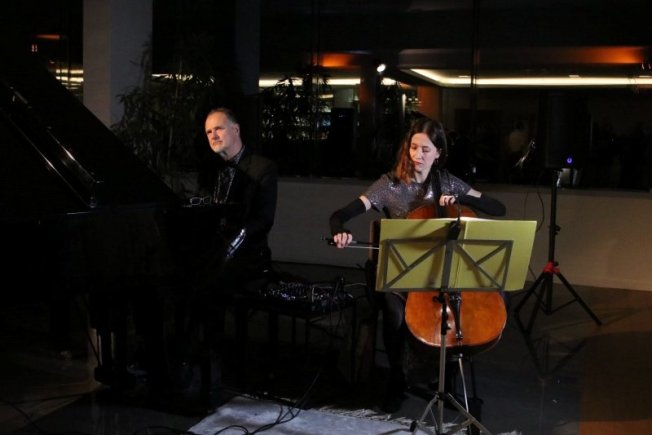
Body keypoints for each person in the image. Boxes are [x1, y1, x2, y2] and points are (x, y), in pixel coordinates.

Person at [329, 116, 506, 413]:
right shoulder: (390, 185)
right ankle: (397, 379)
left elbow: (498, 208)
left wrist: (461, 197)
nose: (417, 156)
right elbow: (340, 215)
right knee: (394, 311)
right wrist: (339, 231)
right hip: (399, 271)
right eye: (413, 148)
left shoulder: (447, 182)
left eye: (425, 150)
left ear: (438, 153)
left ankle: (447, 378)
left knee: (461, 305)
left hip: (437, 272)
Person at [174, 107, 278, 408]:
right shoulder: (211, 169)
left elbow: (263, 220)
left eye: (218, 128)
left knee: (205, 287)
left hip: (250, 256)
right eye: (208, 132)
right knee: (186, 279)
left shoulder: (263, 167)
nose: (213, 135)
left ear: (236, 129)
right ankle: (191, 363)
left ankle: (198, 368)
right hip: (216, 254)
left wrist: (232, 245)